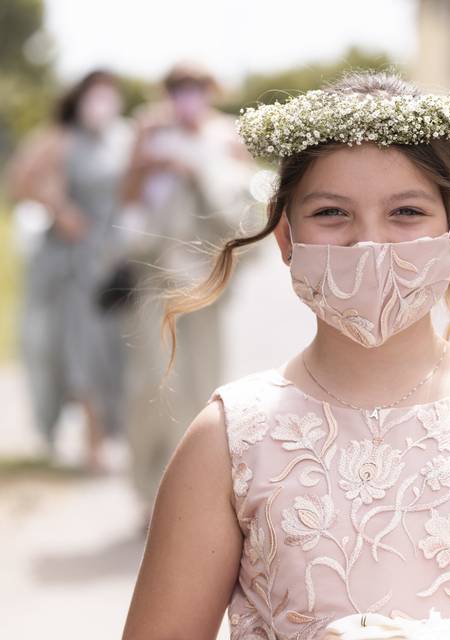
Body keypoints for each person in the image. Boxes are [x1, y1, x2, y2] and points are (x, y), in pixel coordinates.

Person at [122, 72, 450, 640]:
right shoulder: (228, 441)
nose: (370, 243)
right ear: (287, 239)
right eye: (332, 214)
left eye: (406, 213)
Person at [118, 62, 254, 518]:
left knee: (205, 384)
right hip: (155, 277)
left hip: (207, 279)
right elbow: (128, 201)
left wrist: (196, 173)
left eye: (195, 86)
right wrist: (145, 157)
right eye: (179, 87)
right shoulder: (148, 132)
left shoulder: (228, 136)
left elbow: (244, 207)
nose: (187, 95)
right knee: (154, 385)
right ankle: (148, 496)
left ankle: (198, 498)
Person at [7, 69, 133, 470]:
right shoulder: (59, 139)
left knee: (112, 349)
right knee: (80, 348)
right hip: (70, 261)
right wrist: (59, 209)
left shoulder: (122, 137)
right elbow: (18, 182)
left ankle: (105, 435)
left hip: (112, 258)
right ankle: (90, 444)